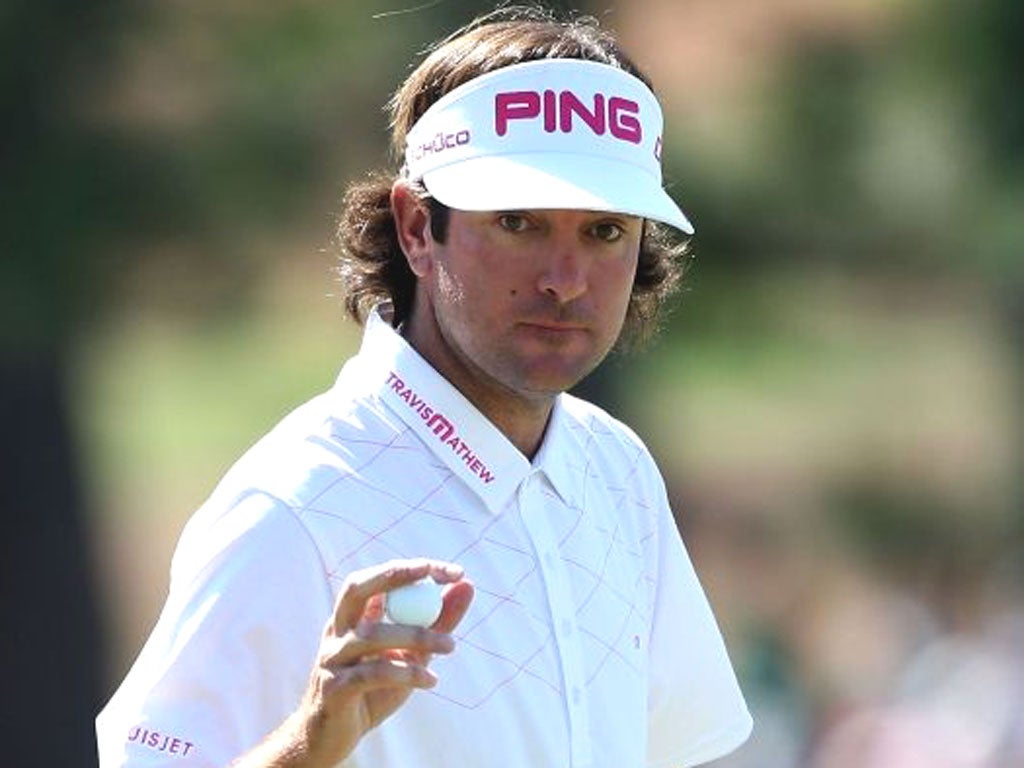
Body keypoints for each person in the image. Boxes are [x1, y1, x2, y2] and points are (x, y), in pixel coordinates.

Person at [96, 6, 753, 767]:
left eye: (604, 232)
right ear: (415, 227)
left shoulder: (618, 472)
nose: (566, 281)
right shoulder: (295, 505)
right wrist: (306, 744)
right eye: (518, 222)